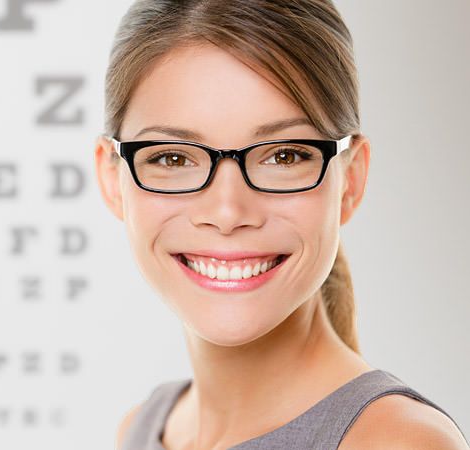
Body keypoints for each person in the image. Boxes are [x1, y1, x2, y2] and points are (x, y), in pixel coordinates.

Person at [95, 1, 470, 449]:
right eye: (173, 158)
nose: (228, 212)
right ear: (112, 179)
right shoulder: (143, 428)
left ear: (350, 179)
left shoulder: (395, 442)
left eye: (284, 155)